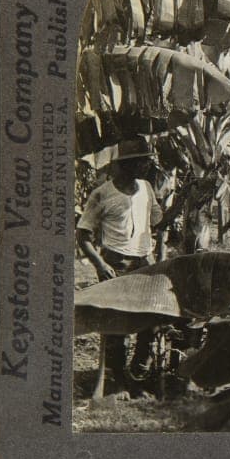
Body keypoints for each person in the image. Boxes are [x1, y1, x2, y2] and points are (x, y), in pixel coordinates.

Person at [77, 135, 167, 394]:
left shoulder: (147, 189)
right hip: (116, 263)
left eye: (147, 162)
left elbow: (157, 223)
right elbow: (83, 237)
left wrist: (185, 199)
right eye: (142, 162)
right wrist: (101, 265)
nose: (147, 167)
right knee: (118, 323)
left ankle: (139, 370)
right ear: (128, 165)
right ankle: (117, 375)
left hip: (145, 263)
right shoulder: (102, 194)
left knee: (150, 318)